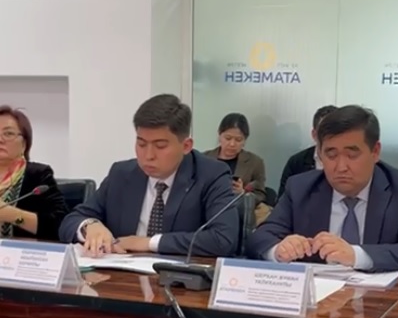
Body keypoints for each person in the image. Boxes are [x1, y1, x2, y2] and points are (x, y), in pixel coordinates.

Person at [246, 105, 398, 272]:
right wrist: (278, 250)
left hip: (382, 299)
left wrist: (355, 255)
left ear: (375, 151)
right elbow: (259, 239)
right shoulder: (300, 188)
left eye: (352, 155)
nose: (341, 167)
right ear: (319, 153)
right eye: (331, 155)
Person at [59, 94, 238, 257]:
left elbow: (223, 239)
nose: (148, 155)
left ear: (186, 146)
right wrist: (89, 226)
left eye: (160, 146)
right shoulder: (121, 174)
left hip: (177, 278)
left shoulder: (211, 175)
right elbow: (70, 221)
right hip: (119, 276)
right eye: (141, 144)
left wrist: (148, 243)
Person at [0, 105, 68, 241]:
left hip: (20, 252)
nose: (0, 139)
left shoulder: (38, 175)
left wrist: (11, 215)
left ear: (24, 144)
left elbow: (60, 224)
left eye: (8, 134)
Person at [204, 113, 266, 204]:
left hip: (237, 210)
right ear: (219, 135)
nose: (232, 144)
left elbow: (261, 195)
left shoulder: (255, 162)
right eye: (228, 138)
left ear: (245, 140)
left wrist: (242, 194)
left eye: (238, 140)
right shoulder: (204, 158)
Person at [278, 104, 337, 198]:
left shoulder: (351, 162)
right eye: (326, 131)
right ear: (314, 134)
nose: (332, 137)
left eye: (337, 131)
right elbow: (283, 201)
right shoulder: (296, 162)